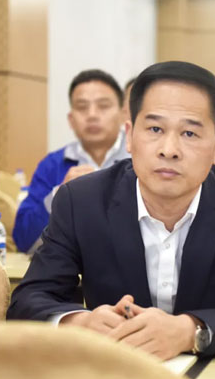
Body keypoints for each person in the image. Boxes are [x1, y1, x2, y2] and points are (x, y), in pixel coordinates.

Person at [7, 61, 215, 360]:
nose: (169, 149)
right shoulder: (81, 200)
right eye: (155, 129)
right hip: (112, 367)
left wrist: (189, 331)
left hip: (211, 372)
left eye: (189, 134)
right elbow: (28, 300)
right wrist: (81, 323)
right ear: (129, 136)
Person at [13, 70, 129, 253]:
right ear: (71, 120)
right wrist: (60, 195)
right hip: (69, 268)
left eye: (103, 106)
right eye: (82, 107)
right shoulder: (52, 165)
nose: (92, 115)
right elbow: (24, 241)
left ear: (123, 115)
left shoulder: (139, 160)